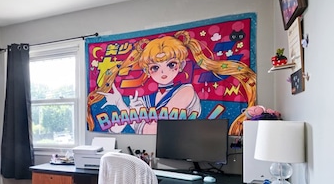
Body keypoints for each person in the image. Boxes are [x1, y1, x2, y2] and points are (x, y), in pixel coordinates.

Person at [87, 30, 256, 135]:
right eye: (154, 67)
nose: (163, 72)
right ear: (147, 70)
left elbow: (154, 131)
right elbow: (127, 127)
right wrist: (120, 104)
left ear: (181, 65)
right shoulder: (149, 98)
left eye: (171, 65)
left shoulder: (186, 91)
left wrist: (133, 114)